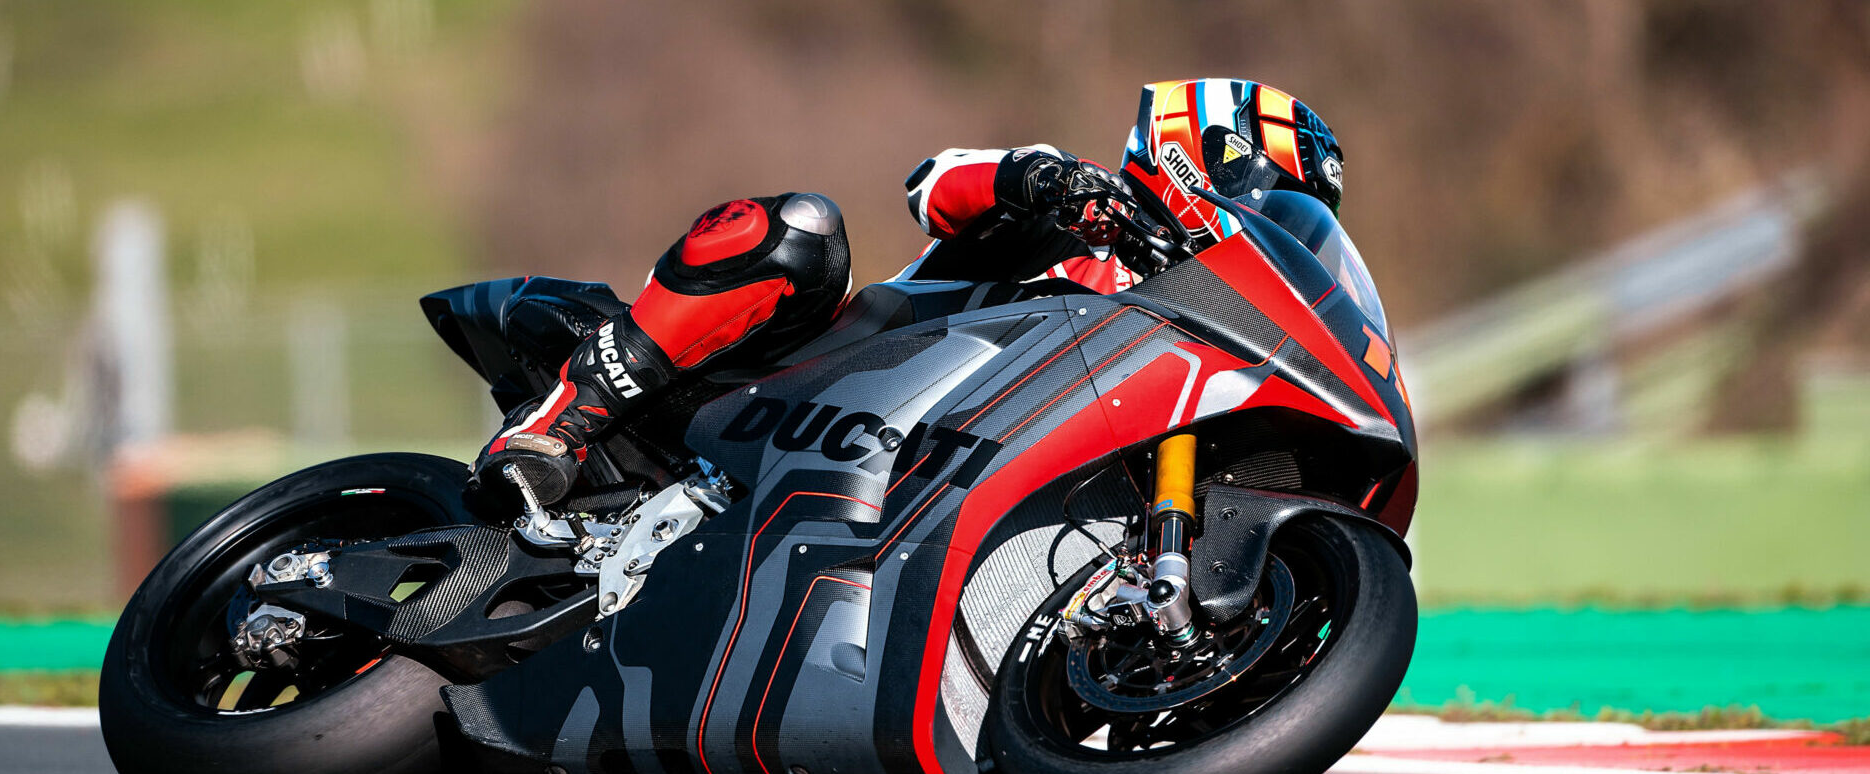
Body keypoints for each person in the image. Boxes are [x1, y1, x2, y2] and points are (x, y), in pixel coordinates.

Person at [473, 78, 1345, 508]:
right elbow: (934, 184)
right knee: (801, 226)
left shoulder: (1201, 330)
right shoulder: (1077, 213)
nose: (1272, 209)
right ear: (1205, 144)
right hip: (809, 383)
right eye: (1274, 185)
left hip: (916, 484)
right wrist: (1043, 178)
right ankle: (559, 423)